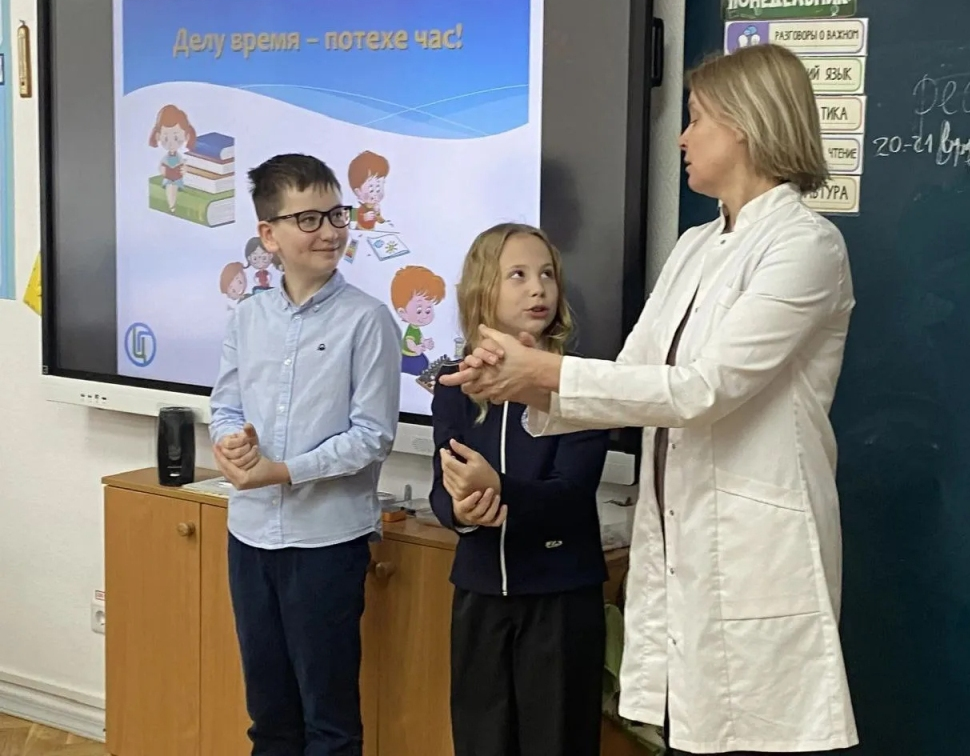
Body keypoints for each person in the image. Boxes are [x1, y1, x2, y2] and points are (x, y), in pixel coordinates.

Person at [440, 43, 859, 755]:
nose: (682, 138)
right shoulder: (696, 245)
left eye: (696, 119)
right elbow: (633, 375)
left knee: (761, 736)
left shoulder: (805, 246)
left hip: (759, 548)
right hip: (687, 542)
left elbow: (703, 389)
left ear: (746, 125)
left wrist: (541, 371)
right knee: (693, 735)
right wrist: (515, 379)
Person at [209, 153, 401, 756]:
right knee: (269, 717)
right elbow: (225, 405)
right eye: (309, 219)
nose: (331, 231)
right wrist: (232, 441)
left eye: (337, 214)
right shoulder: (249, 315)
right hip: (249, 538)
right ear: (269, 235)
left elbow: (372, 435)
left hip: (326, 542)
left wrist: (283, 471)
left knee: (329, 723)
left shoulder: (368, 320)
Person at [428, 222, 610, 756]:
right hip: (480, 594)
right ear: (482, 289)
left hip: (560, 598)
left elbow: (571, 494)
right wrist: (462, 511)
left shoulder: (580, 380)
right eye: (519, 275)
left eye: (547, 274)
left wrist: (498, 491)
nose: (538, 289)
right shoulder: (455, 384)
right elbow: (442, 487)